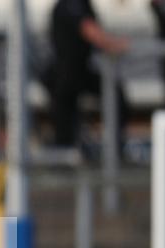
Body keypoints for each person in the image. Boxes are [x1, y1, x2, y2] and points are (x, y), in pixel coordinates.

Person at [48, 0, 131, 148]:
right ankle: (65, 151)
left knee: (115, 92)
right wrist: (113, 44)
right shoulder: (72, 4)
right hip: (66, 72)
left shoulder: (83, 4)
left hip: (80, 70)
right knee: (65, 114)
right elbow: (88, 29)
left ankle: (114, 147)